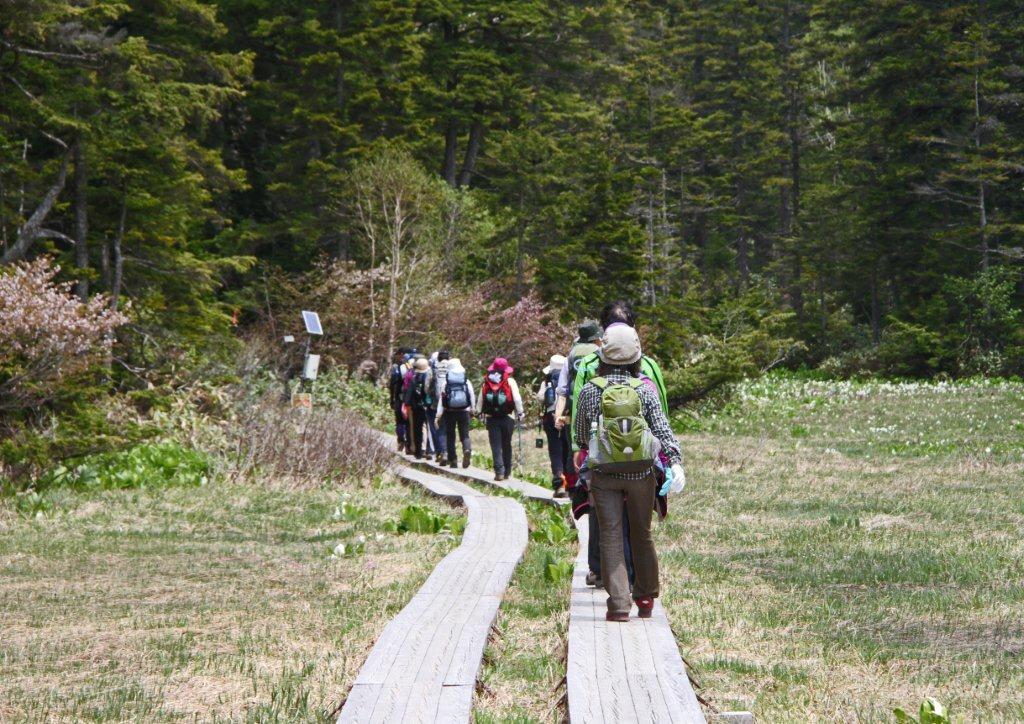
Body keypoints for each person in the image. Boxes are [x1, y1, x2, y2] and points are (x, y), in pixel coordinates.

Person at [574, 324, 685, 622]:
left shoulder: (589, 390)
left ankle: (619, 604)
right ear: (637, 357)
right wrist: (675, 461)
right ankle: (646, 597)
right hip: (641, 473)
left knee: (610, 535)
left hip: (605, 474)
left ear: (602, 356)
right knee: (642, 533)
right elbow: (662, 429)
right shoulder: (645, 390)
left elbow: (581, 437)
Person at [475, 357, 524, 481]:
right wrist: (520, 413)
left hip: (492, 417)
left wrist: (478, 411)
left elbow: (481, 398)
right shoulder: (510, 381)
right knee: (506, 444)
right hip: (508, 416)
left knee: (495, 445)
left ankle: (499, 472)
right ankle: (507, 471)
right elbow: (517, 399)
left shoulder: (487, 380)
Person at [536, 354, 572, 496]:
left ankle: (559, 485)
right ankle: (570, 485)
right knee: (567, 450)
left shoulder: (547, 381)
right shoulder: (569, 378)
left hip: (551, 419)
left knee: (555, 451)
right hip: (567, 416)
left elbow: (540, 398)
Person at [435, 357, 474, 468]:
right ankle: (466, 449)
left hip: (449, 412)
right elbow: (471, 395)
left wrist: (438, 415)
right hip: (464, 411)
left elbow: (441, 400)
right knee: (465, 434)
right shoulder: (466, 381)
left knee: (450, 436)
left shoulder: (446, 382)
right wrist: (473, 408)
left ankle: (453, 460)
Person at [402, 356, 435, 459]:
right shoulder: (430, 378)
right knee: (429, 428)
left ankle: (418, 452)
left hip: (416, 408)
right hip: (428, 407)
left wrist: (407, 404)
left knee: (417, 429)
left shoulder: (414, 378)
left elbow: (408, 395)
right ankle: (429, 450)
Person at [428, 350, 451, 464]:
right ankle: (451, 454)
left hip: (436, 404)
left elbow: (429, 386)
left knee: (438, 428)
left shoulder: (434, 369)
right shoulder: (454, 368)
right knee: (450, 429)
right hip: (452, 404)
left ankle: (441, 452)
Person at [388, 348, 413, 452]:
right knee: (409, 422)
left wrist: (392, 399)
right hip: (410, 399)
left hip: (399, 397)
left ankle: (401, 440)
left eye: (398, 354)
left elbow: (392, 385)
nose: (397, 356)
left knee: (400, 421)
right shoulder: (412, 368)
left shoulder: (397, 368)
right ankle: (409, 445)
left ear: (402, 355)